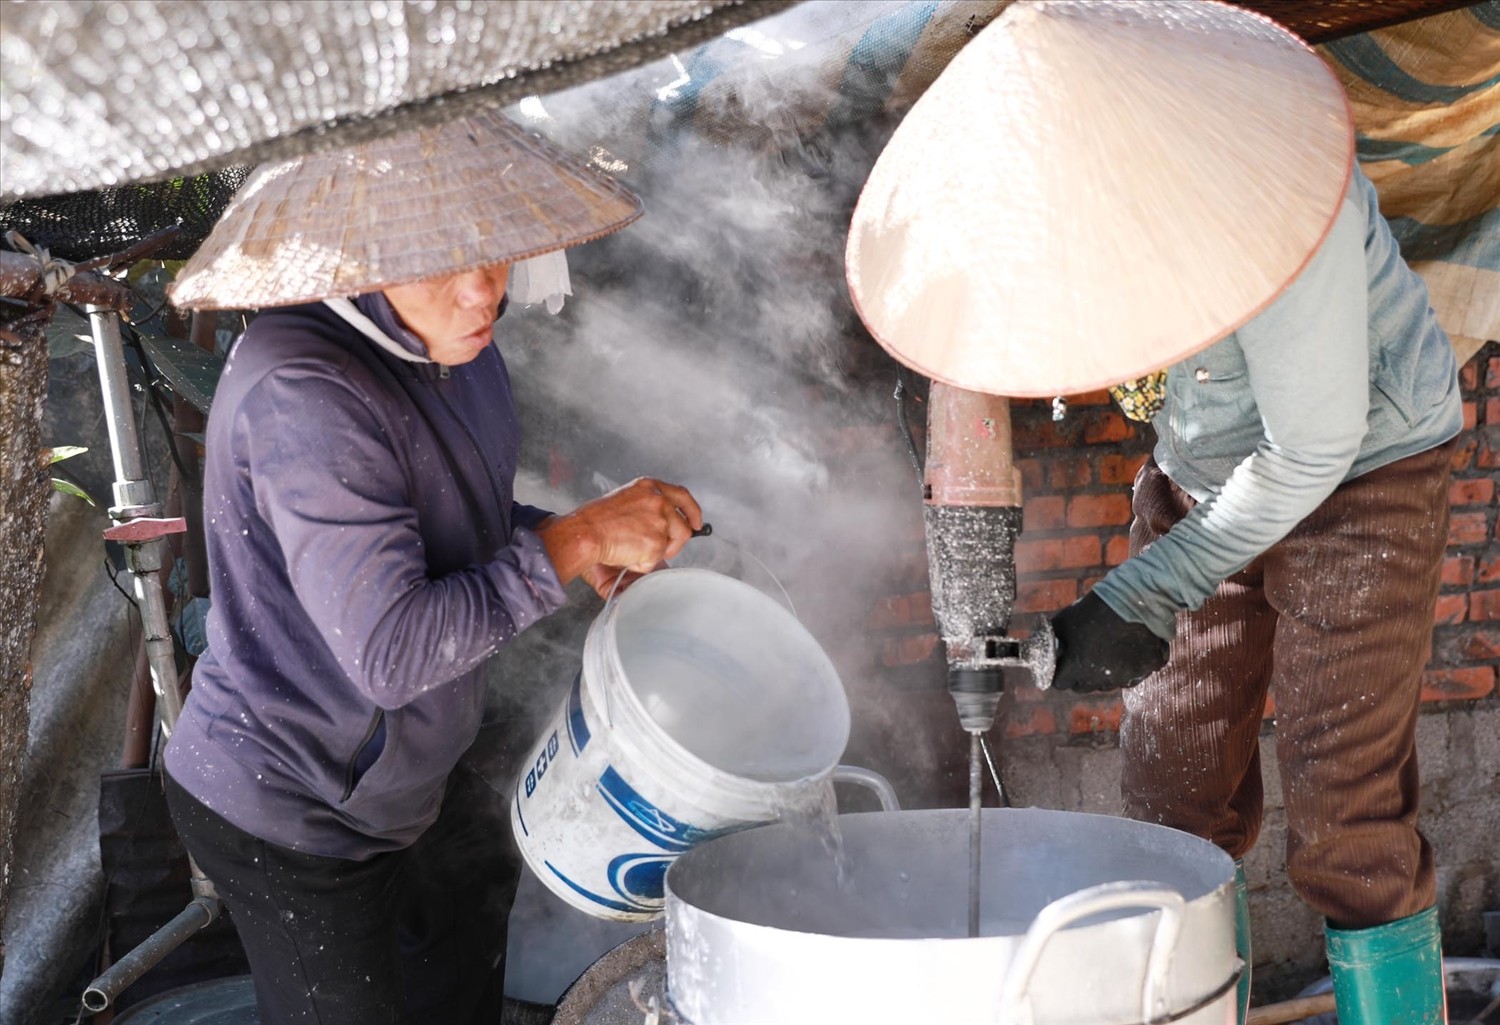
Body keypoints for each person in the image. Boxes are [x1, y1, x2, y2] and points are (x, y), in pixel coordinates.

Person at [161, 114, 703, 1025]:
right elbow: (394, 650)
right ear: (356, 261)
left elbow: (455, 525)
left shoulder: (457, 346)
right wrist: (572, 541)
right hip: (294, 804)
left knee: (468, 944)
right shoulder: (307, 394)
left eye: (491, 249)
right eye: (439, 262)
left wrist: (587, 543)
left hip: (404, 781)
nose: (480, 289)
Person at [1048, 160, 1462, 1025]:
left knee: (1346, 810)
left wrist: (1146, 592)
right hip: (1205, 469)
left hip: (1362, 466)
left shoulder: (1273, 184)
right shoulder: (1080, 197)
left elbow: (1311, 449)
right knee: (1169, 795)